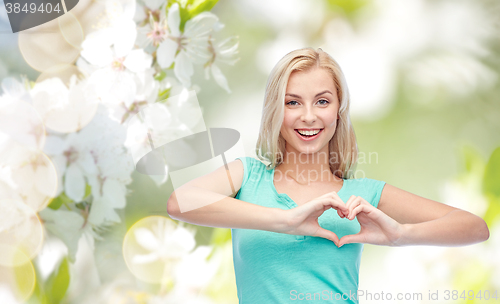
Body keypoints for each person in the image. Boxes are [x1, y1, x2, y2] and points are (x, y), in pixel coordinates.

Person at [166, 47, 490, 303]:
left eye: (322, 101)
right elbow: (180, 202)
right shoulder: (246, 177)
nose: (308, 116)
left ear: (339, 109)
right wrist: (285, 220)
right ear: (276, 110)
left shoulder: (364, 195)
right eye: (293, 102)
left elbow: (474, 228)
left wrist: (400, 235)